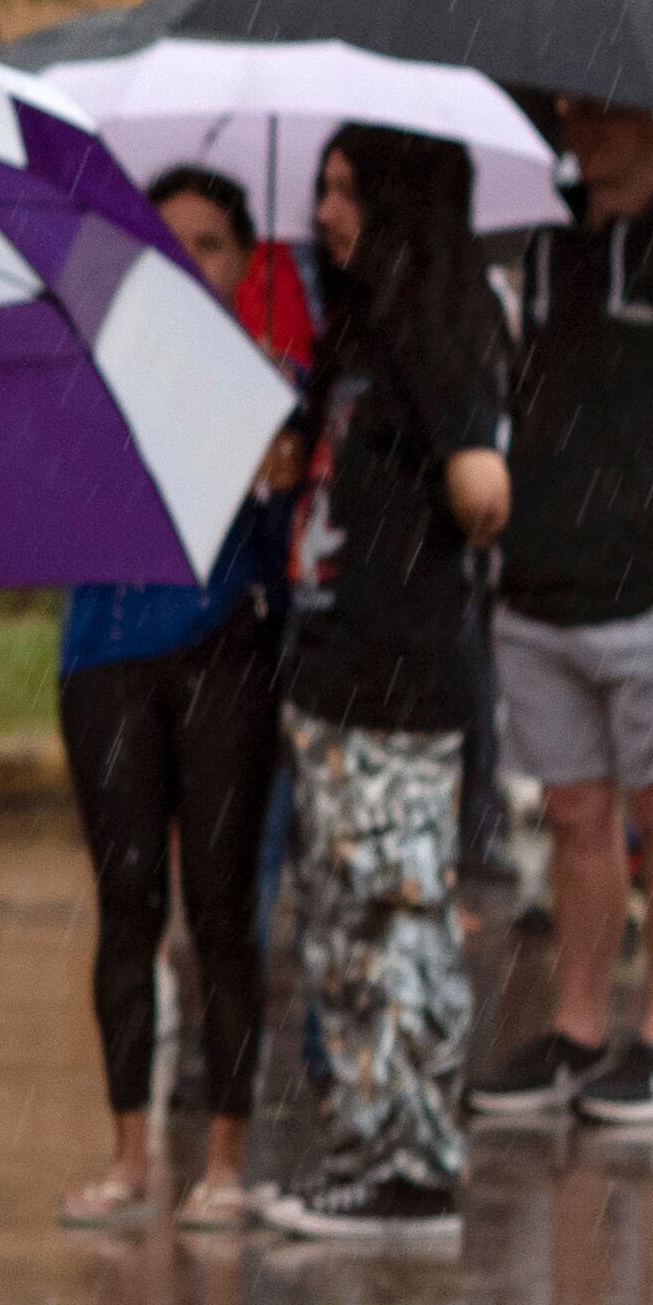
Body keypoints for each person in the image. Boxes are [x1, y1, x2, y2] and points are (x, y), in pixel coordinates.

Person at [455, 96, 653, 1136]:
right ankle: (575, 1030)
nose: (583, 128)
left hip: (652, 583)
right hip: (539, 578)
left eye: (607, 110)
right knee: (574, 813)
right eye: (572, 109)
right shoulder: (532, 230)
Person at [264, 127, 511, 1243]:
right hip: (326, 664)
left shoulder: (440, 329)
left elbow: (480, 492)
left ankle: (412, 1161)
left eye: (346, 191)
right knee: (339, 926)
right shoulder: (354, 336)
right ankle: (364, 1143)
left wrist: (466, 464)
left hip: (400, 674)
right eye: (319, 187)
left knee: (396, 918)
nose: (324, 211)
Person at [49, 167, 292, 1231]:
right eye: (171, 242)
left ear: (241, 259)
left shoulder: (274, 382)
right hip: (104, 655)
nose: (191, 263)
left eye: (211, 243)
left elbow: (292, 554)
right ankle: (129, 1153)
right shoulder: (92, 372)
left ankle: (226, 1156)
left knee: (221, 911)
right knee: (126, 900)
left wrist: (272, 474)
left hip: (222, 656)